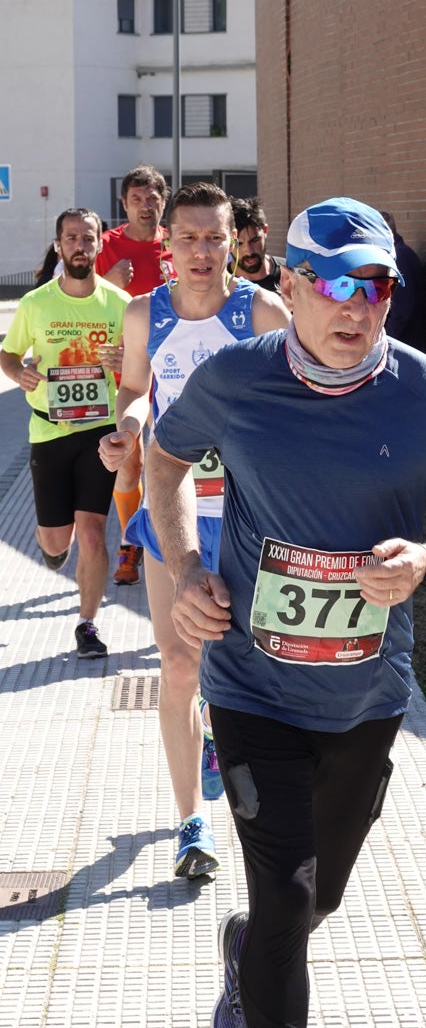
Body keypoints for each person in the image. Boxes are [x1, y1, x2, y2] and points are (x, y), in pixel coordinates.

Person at [143, 196, 426, 1028]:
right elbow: (163, 458)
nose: (355, 306)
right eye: (333, 284)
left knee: (317, 899)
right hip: (250, 685)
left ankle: (245, 949)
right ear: (289, 285)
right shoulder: (235, 378)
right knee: (283, 901)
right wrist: (189, 569)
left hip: (369, 693)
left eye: (375, 285)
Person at [99, 182, 291, 880]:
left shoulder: (262, 311)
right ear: (166, 246)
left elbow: (293, 400)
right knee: (177, 665)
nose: (204, 252)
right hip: (171, 515)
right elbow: (134, 391)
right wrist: (125, 432)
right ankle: (191, 823)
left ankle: (227, 744)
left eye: (216, 237)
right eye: (189, 239)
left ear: (232, 241)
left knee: (247, 668)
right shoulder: (144, 314)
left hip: (247, 522)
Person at [0, 209, 130, 658]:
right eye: (71, 238)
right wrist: (21, 374)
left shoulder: (119, 303)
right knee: (57, 539)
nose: (80, 245)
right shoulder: (36, 303)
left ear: (98, 245)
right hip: (50, 431)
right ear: (59, 246)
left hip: (99, 430)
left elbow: (137, 367)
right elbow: (9, 354)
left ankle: (87, 624)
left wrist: (123, 364)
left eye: (88, 237)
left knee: (93, 531)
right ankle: (55, 552)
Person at [96, 165, 173, 586]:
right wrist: (105, 281)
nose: (146, 206)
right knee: (129, 461)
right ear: (124, 204)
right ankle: (130, 543)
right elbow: (72, 302)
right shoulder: (105, 247)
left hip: (175, 372)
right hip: (125, 375)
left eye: (153, 198)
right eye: (137, 199)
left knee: (171, 460)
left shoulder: (179, 246)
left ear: (164, 201)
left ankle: (172, 537)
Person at [380, 210, 426, 353]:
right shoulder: (399, 255)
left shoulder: (399, 258)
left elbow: (402, 309)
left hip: (403, 346)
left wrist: (384, 341)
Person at [228, 195, 284, 293]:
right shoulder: (219, 284)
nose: (249, 251)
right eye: (239, 243)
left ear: (265, 230)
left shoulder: (290, 275)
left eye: (254, 240)